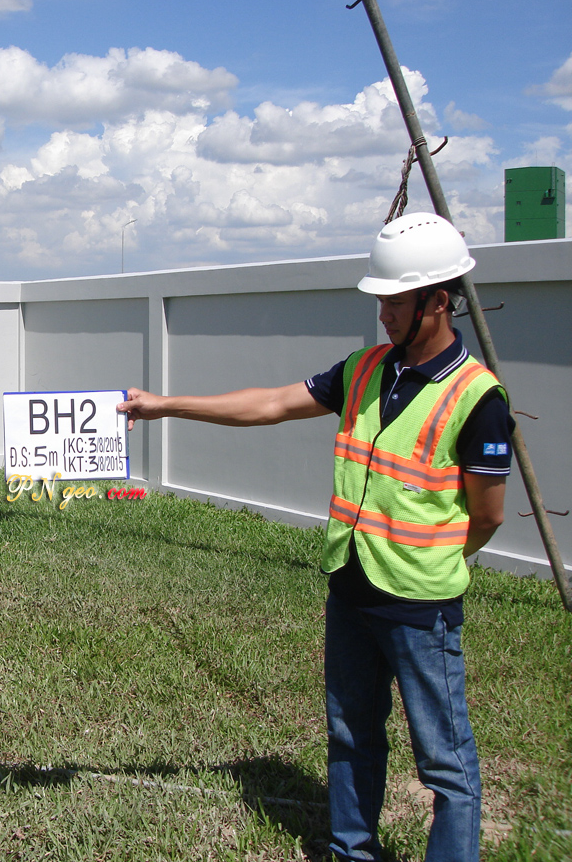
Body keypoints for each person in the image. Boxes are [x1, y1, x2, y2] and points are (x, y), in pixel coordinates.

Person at [118, 213, 512, 862]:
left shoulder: (477, 398)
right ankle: (354, 852)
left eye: (394, 300)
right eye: (380, 299)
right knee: (352, 734)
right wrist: (164, 404)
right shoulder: (364, 370)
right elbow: (271, 404)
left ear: (438, 302)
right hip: (351, 590)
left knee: (445, 765)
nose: (383, 312)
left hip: (420, 609)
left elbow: (488, 515)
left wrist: (434, 556)